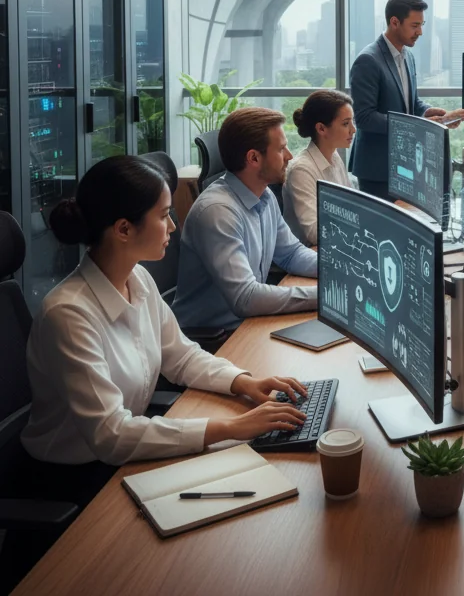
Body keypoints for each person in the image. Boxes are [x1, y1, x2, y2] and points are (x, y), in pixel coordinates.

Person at [21, 156, 308, 470]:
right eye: (163, 215)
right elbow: (111, 435)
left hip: (126, 449)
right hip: (76, 475)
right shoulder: (68, 314)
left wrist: (243, 382)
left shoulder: (137, 278)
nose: (172, 225)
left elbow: (180, 356)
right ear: (123, 229)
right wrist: (232, 427)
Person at [174, 107, 318, 331]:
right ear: (253, 158)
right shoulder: (218, 212)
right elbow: (246, 298)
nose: (289, 156)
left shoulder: (264, 194)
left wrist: (340, 272)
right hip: (213, 339)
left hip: (248, 325)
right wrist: (326, 296)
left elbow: (291, 254)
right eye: (281, 149)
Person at [349, 0, 464, 200]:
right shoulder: (368, 61)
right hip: (377, 168)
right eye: (415, 26)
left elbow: (410, 103)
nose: (420, 32)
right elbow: (364, 118)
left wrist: (428, 113)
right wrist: (416, 124)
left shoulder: (408, 56)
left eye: (422, 25)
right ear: (394, 22)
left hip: (403, 164)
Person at [283, 89, 355, 246]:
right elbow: (315, 233)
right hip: (311, 254)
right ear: (321, 128)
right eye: (345, 124)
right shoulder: (301, 170)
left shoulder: (334, 156)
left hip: (338, 244)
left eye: (352, 122)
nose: (353, 130)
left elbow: (352, 204)